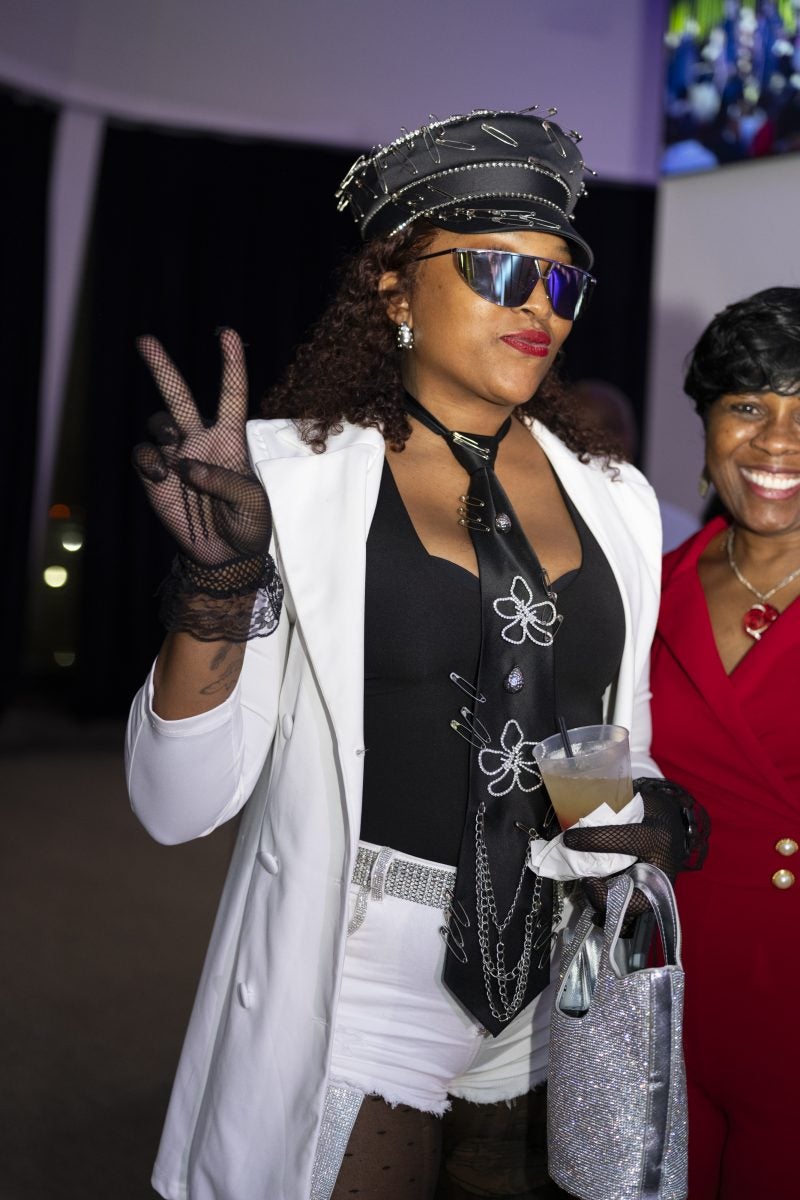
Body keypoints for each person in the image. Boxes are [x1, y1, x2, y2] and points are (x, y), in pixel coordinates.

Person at [126, 107, 694, 1200]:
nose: (538, 305)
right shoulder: (285, 481)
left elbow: (590, 736)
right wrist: (218, 587)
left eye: (561, 281)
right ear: (394, 288)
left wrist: (637, 816)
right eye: (497, 269)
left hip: (560, 970)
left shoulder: (612, 496)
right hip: (362, 974)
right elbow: (176, 804)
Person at [650, 287, 800, 1199]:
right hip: (667, 996)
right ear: (705, 421)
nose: (778, 441)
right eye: (748, 404)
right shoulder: (647, 587)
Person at [569, 378, 701, 552]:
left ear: (632, 434)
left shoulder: (678, 530)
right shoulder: (545, 525)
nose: (600, 442)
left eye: (611, 428)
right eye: (584, 432)